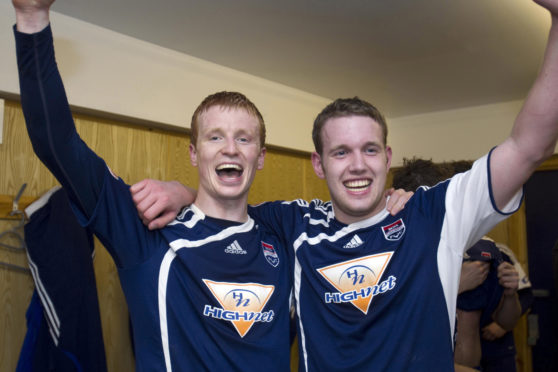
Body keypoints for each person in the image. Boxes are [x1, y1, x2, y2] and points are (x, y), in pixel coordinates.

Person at [134, 1, 558, 370]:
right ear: (318, 164)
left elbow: (527, 148)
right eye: (341, 152)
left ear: (388, 158)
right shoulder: (294, 224)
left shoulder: (433, 215)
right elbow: (226, 203)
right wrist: (182, 191)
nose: (358, 166)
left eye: (370, 150)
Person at [12, 1, 294, 370]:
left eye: (244, 139)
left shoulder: (285, 233)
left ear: (260, 157)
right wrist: (32, 20)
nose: (230, 148)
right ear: (194, 153)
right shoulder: (148, 232)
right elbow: (58, 144)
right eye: (215, 138)